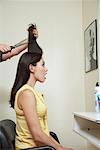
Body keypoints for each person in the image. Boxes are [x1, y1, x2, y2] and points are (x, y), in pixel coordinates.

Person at [10, 24, 74, 150]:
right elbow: (37, 135)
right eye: (43, 65)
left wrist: (31, 39)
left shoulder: (31, 92)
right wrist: (61, 148)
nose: (46, 69)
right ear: (31, 68)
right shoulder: (26, 94)